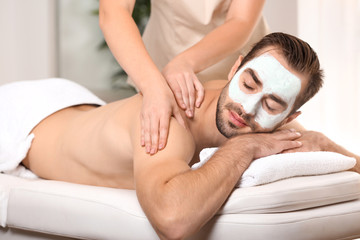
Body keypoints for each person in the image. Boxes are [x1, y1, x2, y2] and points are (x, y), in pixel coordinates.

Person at [2, 33, 359, 239]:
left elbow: (349, 163)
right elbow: (172, 219)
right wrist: (245, 147)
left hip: (80, 106)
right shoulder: (173, 121)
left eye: (272, 103)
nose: (248, 108)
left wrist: (323, 143)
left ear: (289, 118)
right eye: (249, 83)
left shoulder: (273, 124)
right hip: (22, 118)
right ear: (234, 69)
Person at [99, 0, 269, 155]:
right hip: (161, 66)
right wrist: (153, 86)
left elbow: (241, 20)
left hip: (234, 68)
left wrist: (185, 62)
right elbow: (114, 11)